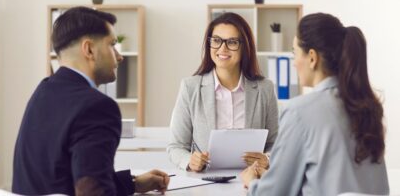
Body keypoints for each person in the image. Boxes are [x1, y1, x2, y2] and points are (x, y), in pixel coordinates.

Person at [12, 7, 169, 196]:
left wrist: (133, 183)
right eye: (112, 45)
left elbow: (71, 180)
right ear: (89, 49)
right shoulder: (97, 107)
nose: (119, 57)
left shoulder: (43, 91)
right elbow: (94, 192)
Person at [241, 13, 390, 195]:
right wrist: (270, 178)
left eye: (295, 53)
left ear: (312, 58)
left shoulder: (299, 112)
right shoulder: (367, 107)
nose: (294, 63)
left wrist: (252, 183)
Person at [167, 12, 278, 172]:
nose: (222, 48)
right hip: (206, 182)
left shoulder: (265, 88)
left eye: (232, 42)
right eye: (217, 41)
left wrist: (267, 158)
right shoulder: (190, 88)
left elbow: (277, 144)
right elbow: (175, 146)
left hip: (252, 181)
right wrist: (190, 161)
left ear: (245, 47)